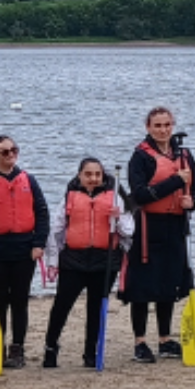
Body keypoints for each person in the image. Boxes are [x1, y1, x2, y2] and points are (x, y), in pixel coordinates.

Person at [123, 107, 195, 363]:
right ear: (148, 127)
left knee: (169, 283)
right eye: (157, 125)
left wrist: (194, 202)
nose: (163, 130)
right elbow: (138, 195)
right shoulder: (140, 158)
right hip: (147, 227)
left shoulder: (184, 155)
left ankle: (165, 339)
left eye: (167, 124)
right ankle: (140, 342)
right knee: (142, 286)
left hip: (175, 226)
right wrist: (175, 182)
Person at [42, 157, 130, 368]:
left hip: (104, 260)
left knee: (96, 308)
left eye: (97, 175)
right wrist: (53, 261)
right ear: (80, 175)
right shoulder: (69, 197)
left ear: (103, 176)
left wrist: (118, 218)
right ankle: (51, 348)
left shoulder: (116, 197)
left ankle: (91, 352)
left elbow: (130, 231)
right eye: (88, 174)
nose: (93, 178)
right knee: (61, 306)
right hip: (74, 260)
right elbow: (55, 231)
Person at [0, 134, 50, 369]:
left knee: (19, 300)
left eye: (13, 150)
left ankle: (17, 348)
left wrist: (39, 243)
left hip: (24, 247)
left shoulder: (28, 179)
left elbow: (42, 212)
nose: (11, 155)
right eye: (4, 152)